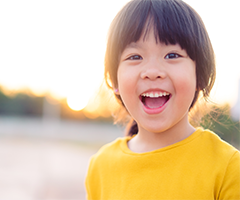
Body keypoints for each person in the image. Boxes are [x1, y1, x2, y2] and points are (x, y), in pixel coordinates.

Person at [85, 0, 240, 199]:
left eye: (172, 55)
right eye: (134, 57)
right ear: (114, 80)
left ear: (199, 76)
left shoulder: (228, 168)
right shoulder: (100, 166)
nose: (152, 72)